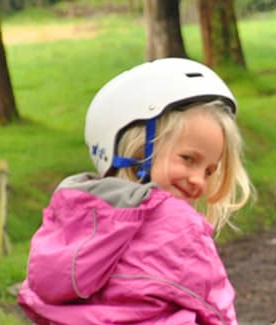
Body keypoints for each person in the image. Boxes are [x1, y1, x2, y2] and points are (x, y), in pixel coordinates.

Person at [17, 58, 251, 325]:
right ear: (138, 148)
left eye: (209, 171)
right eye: (188, 159)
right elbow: (218, 311)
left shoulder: (69, 219)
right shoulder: (179, 225)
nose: (198, 180)